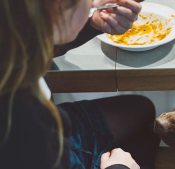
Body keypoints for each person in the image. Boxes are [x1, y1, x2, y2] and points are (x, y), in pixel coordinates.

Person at [0, 0, 159, 169]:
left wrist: (91, 23)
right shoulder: (21, 122)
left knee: (140, 109)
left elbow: (38, 41)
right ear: (59, 7)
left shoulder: (12, 34)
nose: (94, 3)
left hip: (57, 128)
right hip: (47, 145)